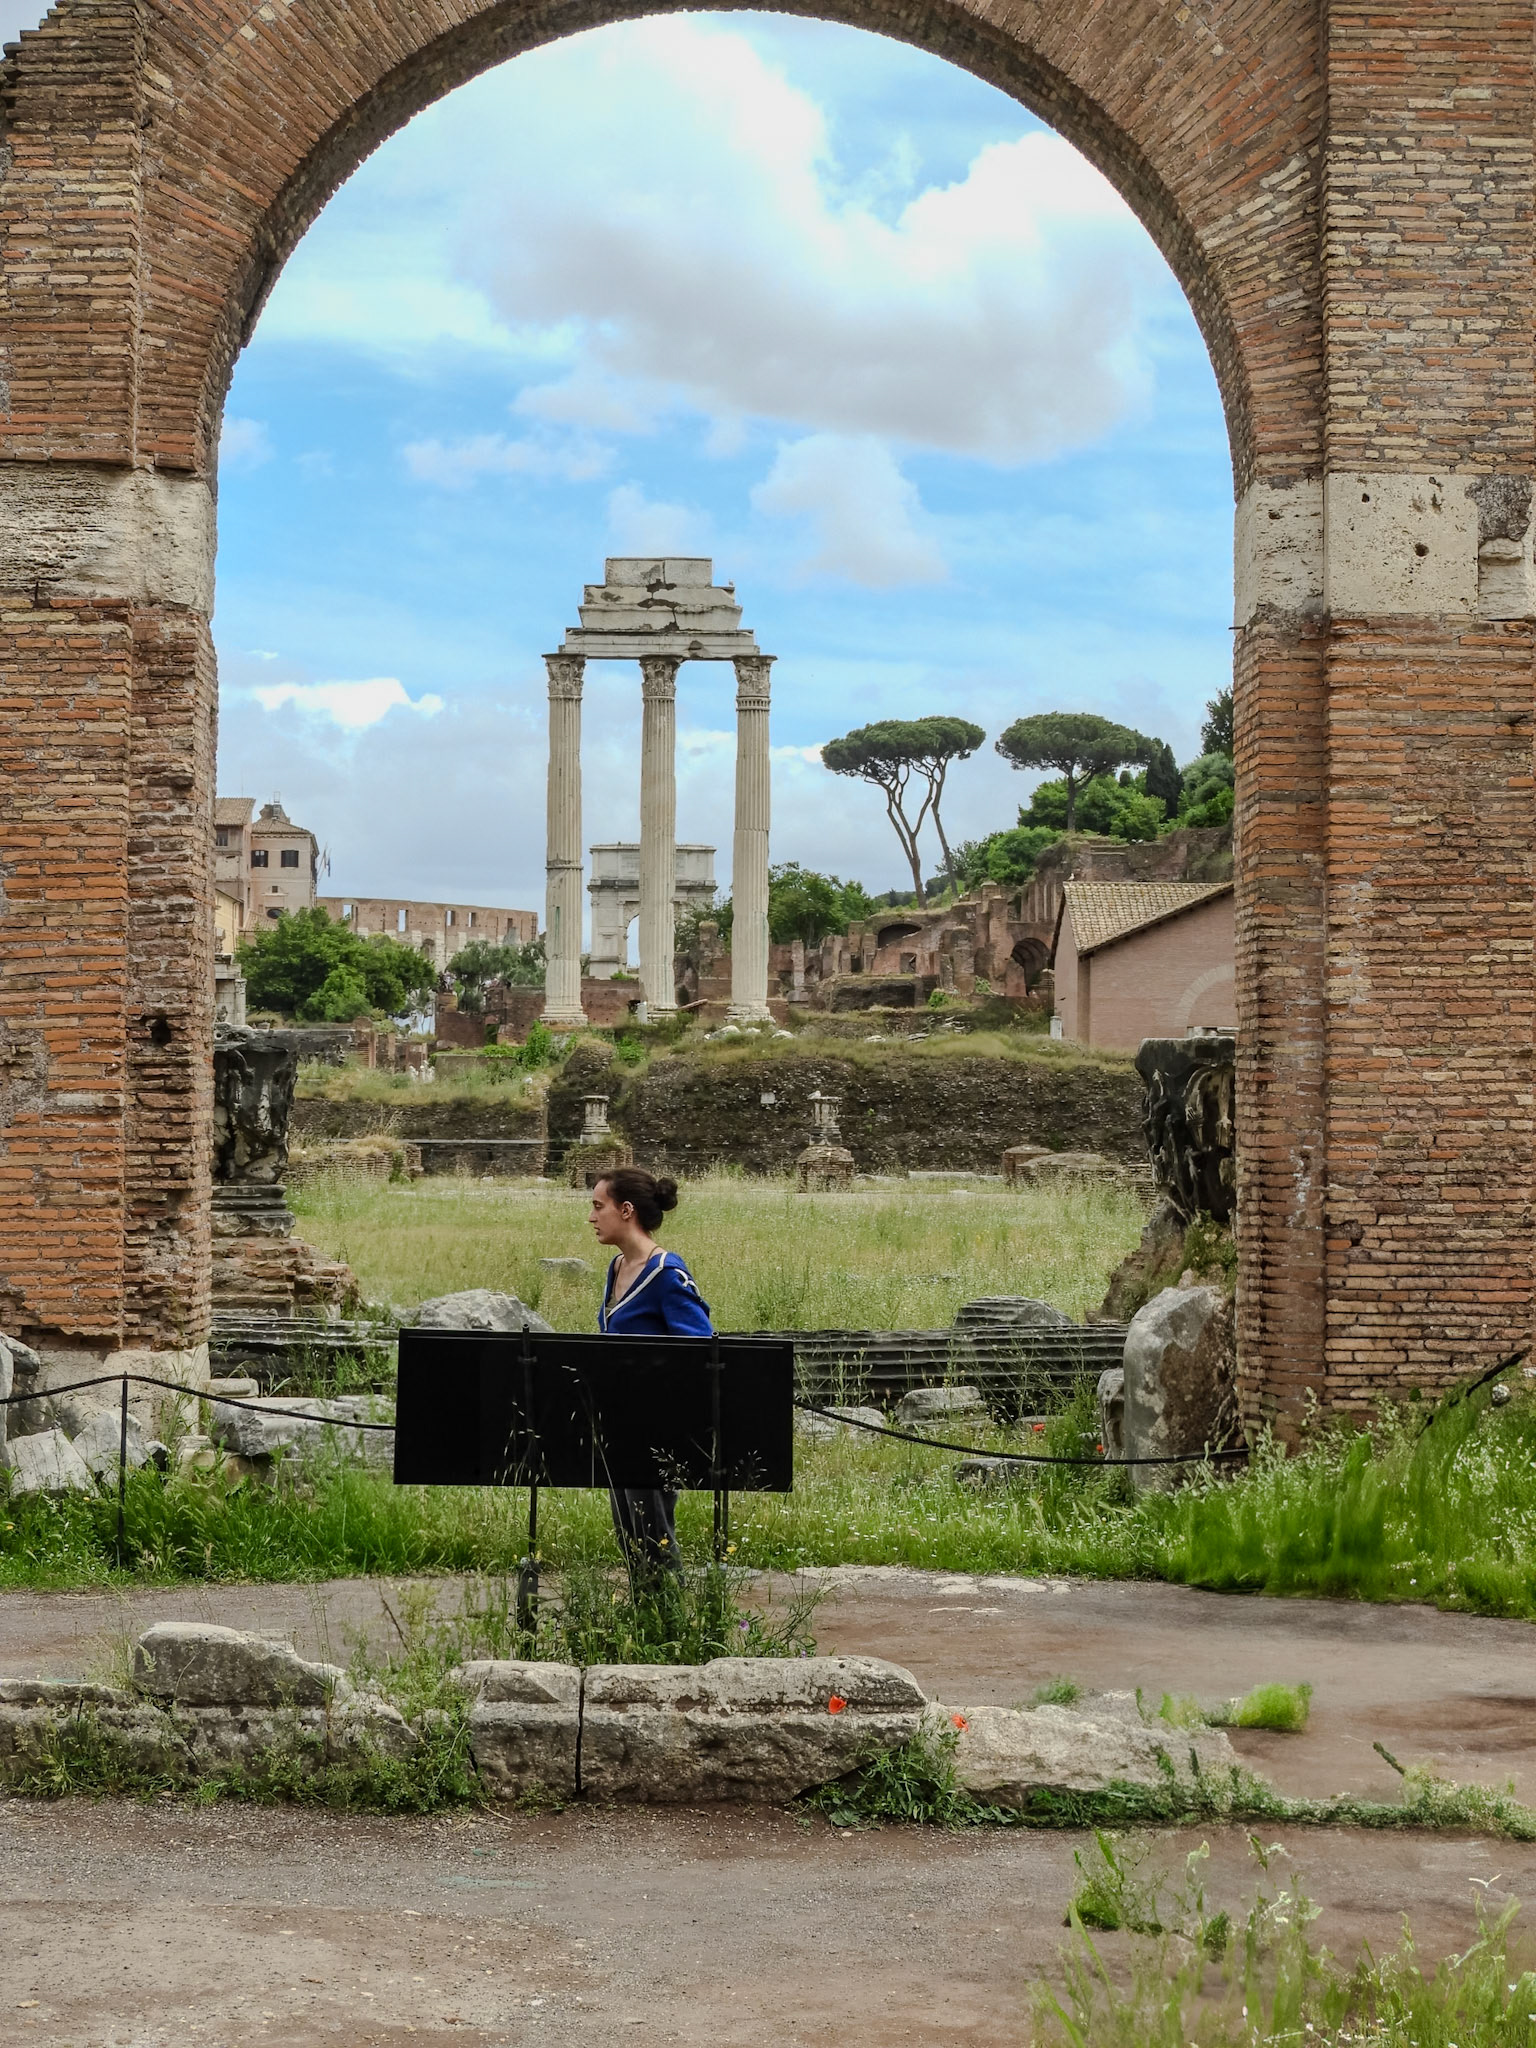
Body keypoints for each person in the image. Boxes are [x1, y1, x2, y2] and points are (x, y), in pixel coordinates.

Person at [589, 1165, 713, 1575]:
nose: (591, 1217)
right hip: (619, 1426)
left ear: (626, 1210)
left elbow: (700, 1347)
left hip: (655, 1429)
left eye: (597, 1206)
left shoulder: (667, 1275)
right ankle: (647, 1627)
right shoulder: (616, 1267)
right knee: (630, 1536)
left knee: (654, 1538)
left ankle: (670, 1626)